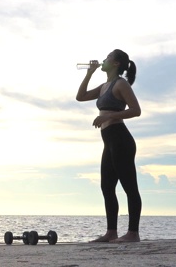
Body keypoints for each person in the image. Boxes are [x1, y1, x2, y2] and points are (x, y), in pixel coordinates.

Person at [76, 49, 142, 243]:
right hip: (109, 141)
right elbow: (80, 97)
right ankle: (111, 232)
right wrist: (89, 73)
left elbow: (136, 110)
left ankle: (133, 233)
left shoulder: (121, 84)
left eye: (107, 57)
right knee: (107, 187)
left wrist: (109, 115)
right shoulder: (105, 86)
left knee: (129, 187)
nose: (103, 59)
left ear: (115, 64)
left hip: (121, 139)